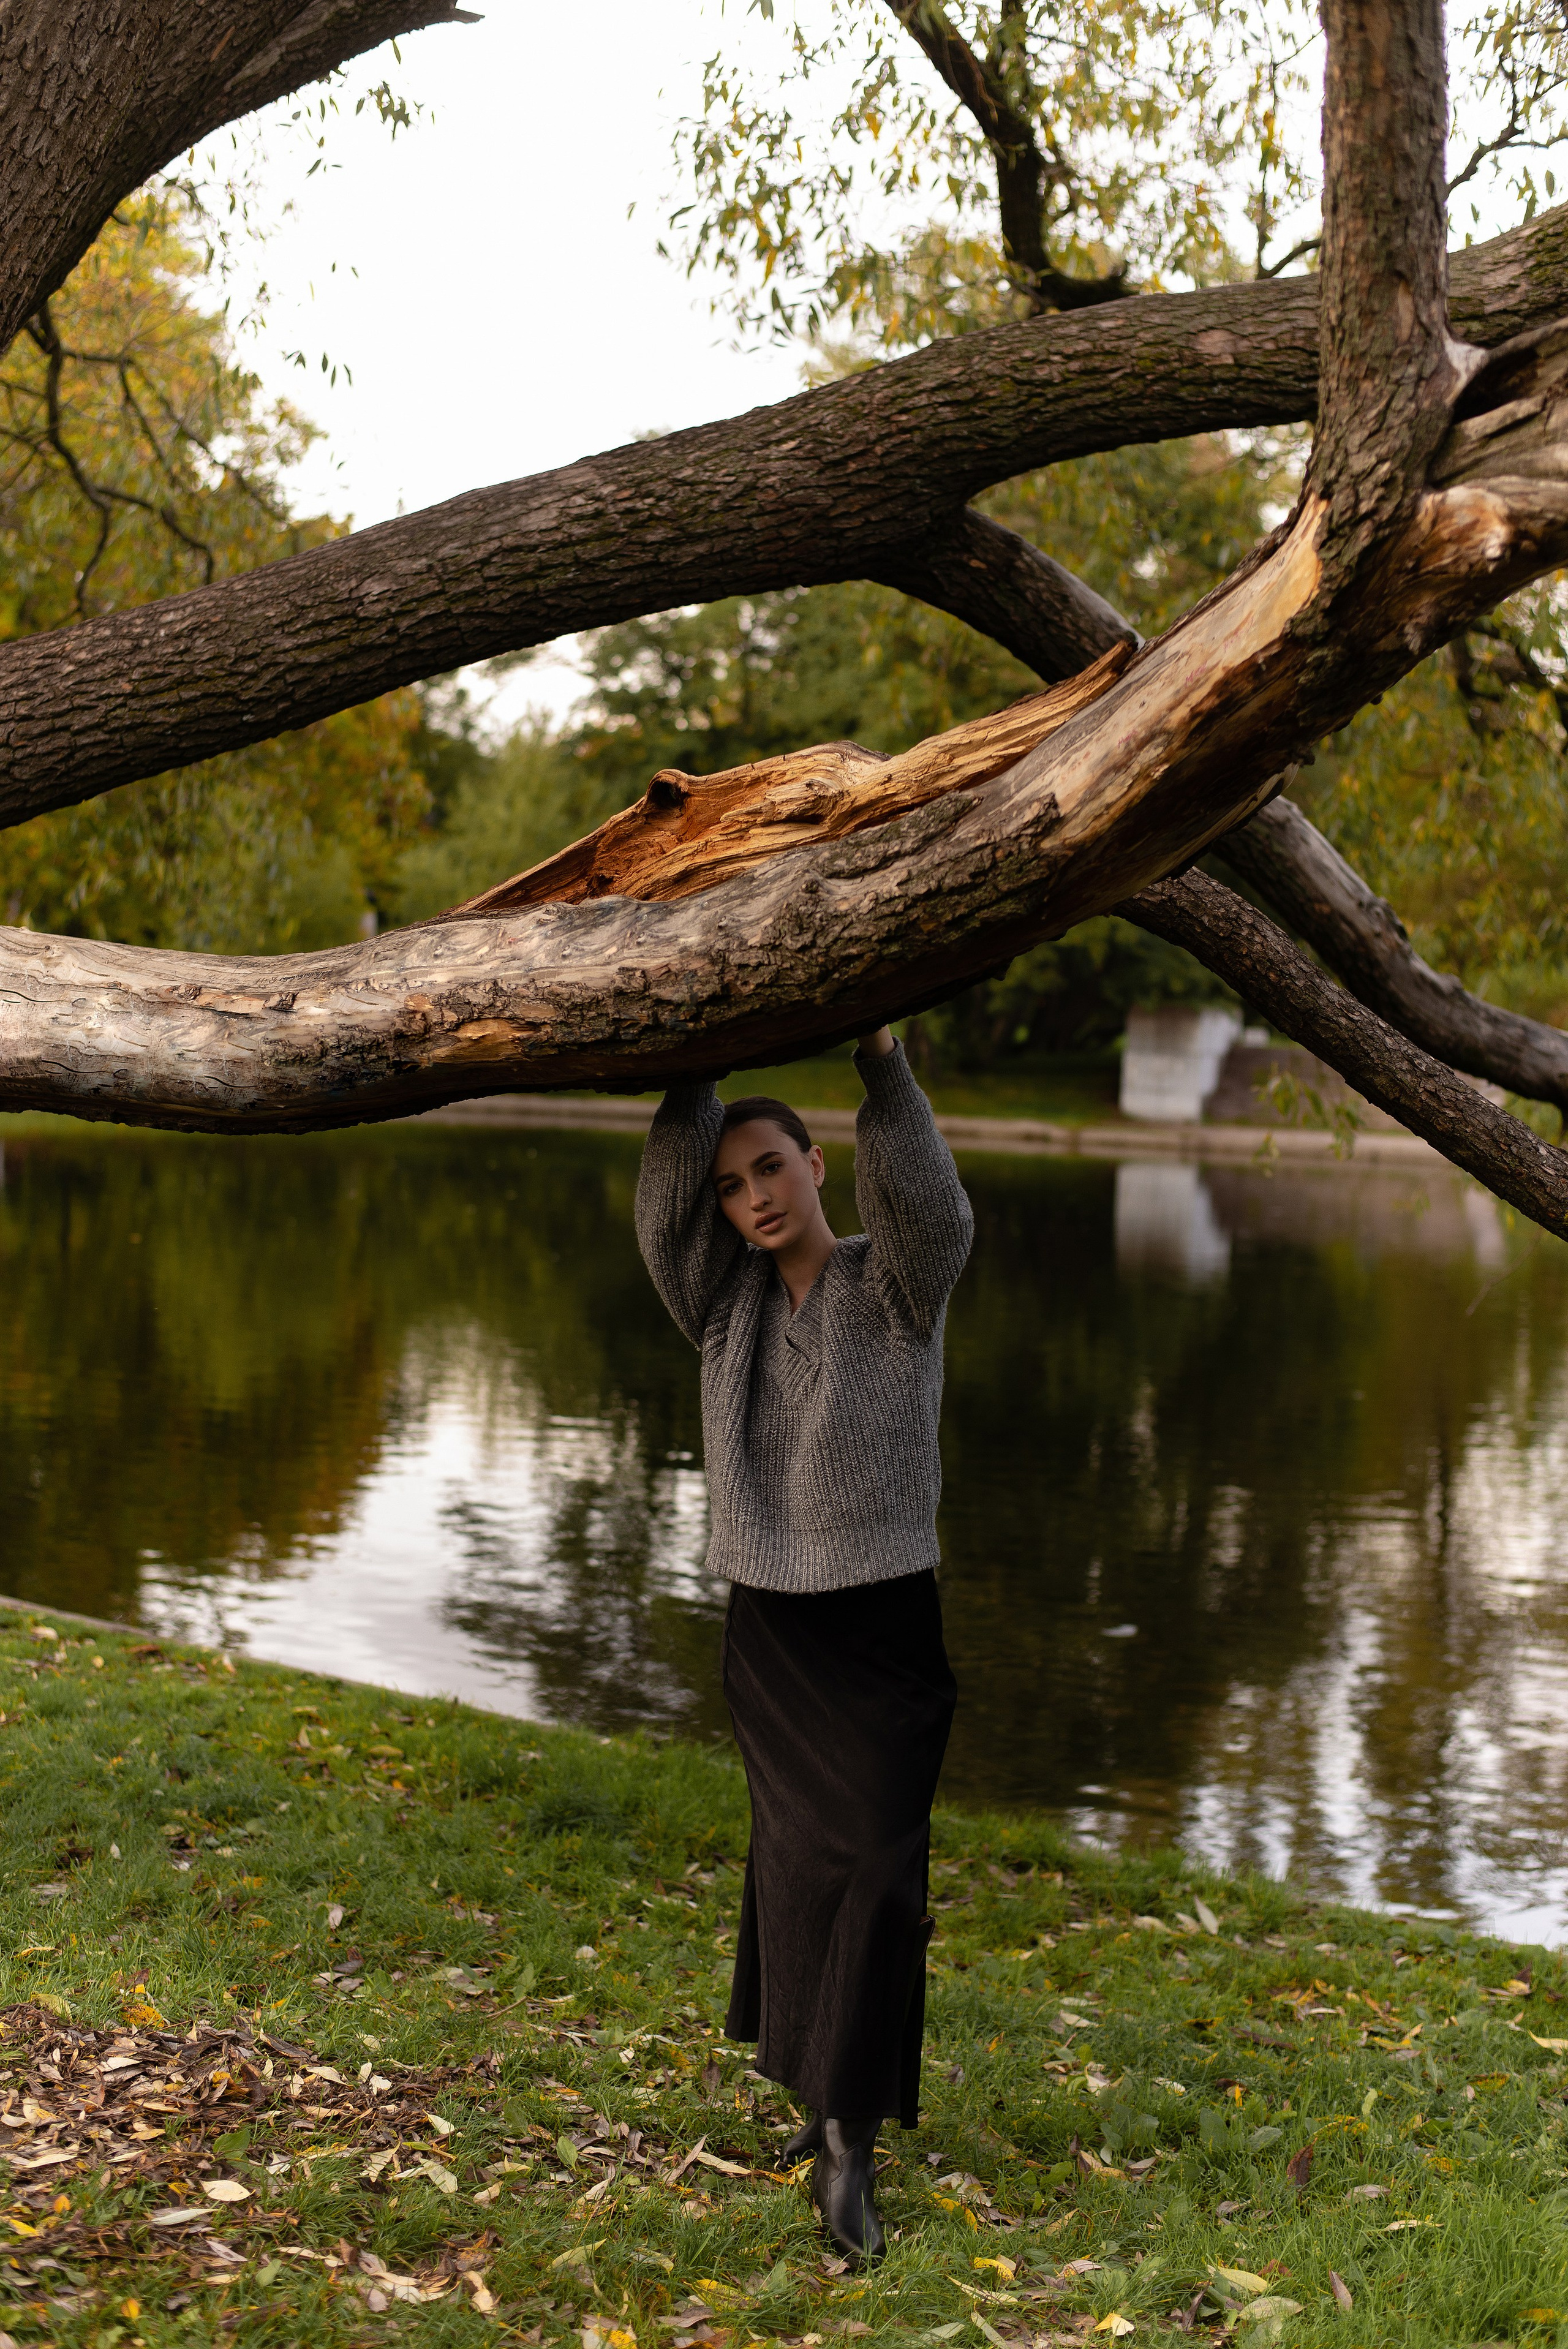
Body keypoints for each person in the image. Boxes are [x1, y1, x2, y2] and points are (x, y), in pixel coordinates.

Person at [634, 1025, 973, 2265]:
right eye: (730, 1185)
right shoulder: (720, 1308)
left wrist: (884, 1063)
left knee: (880, 1869)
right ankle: (827, 2104)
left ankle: (848, 2140)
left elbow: (934, 1208)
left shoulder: (898, 1290)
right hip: (771, 1631)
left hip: (884, 1628)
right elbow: (660, 1221)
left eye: (770, 1167)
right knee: (797, 1866)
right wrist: (693, 1068)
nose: (753, 1198)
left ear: (817, 1164)